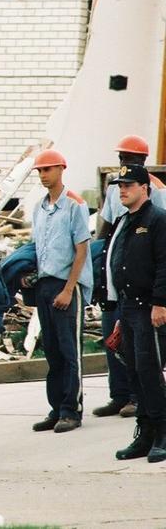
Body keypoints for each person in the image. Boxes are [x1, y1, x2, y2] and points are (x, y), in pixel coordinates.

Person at [93, 135, 166, 419]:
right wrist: (104, 280)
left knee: (148, 363)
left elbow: (160, 257)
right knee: (120, 349)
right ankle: (121, 396)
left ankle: (153, 419)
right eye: (121, 158)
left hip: (146, 299)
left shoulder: (156, 197)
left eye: (129, 159)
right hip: (123, 296)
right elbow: (108, 232)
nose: (123, 164)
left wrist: (160, 301)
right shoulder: (119, 196)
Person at [104, 165, 166, 462]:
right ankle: (145, 432)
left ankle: (162, 432)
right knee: (134, 373)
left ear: (145, 188)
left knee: (150, 370)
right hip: (128, 307)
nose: (122, 190)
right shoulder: (125, 222)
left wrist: (160, 302)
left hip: (148, 307)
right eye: (120, 186)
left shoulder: (158, 220)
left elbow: (164, 264)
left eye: (128, 185)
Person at [28, 149, 92, 434]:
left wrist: (69, 289)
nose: (43, 175)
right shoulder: (39, 208)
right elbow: (39, 248)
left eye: (48, 170)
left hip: (66, 284)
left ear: (61, 169)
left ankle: (72, 408)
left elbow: (81, 250)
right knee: (52, 350)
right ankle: (56, 407)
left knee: (69, 350)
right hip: (45, 284)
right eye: (40, 171)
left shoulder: (74, 205)